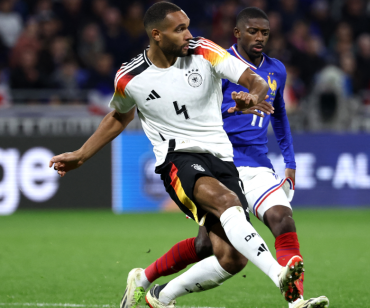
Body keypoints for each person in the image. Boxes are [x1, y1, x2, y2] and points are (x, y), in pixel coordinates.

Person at [49, 2, 304, 308]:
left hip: (222, 158)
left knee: (231, 257)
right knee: (228, 203)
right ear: (157, 35)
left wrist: (252, 97)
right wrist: (81, 155)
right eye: (179, 29)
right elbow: (119, 116)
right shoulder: (130, 77)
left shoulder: (205, 51)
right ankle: (280, 276)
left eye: (188, 26)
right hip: (178, 159)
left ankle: (157, 293)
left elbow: (256, 81)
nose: (188, 35)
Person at [121, 7, 329, 308]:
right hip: (220, 160)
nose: (259, 38)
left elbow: (279, 114)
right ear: (238, 33)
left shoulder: (276, 71)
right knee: (208, 246)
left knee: (281, 220)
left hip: (257, 165)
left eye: (265, 33)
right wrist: (232, 110)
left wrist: (291, 162)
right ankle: (151, 285)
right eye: (253, 32)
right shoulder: (213, 61)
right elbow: (192, 114)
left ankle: (294, 299)